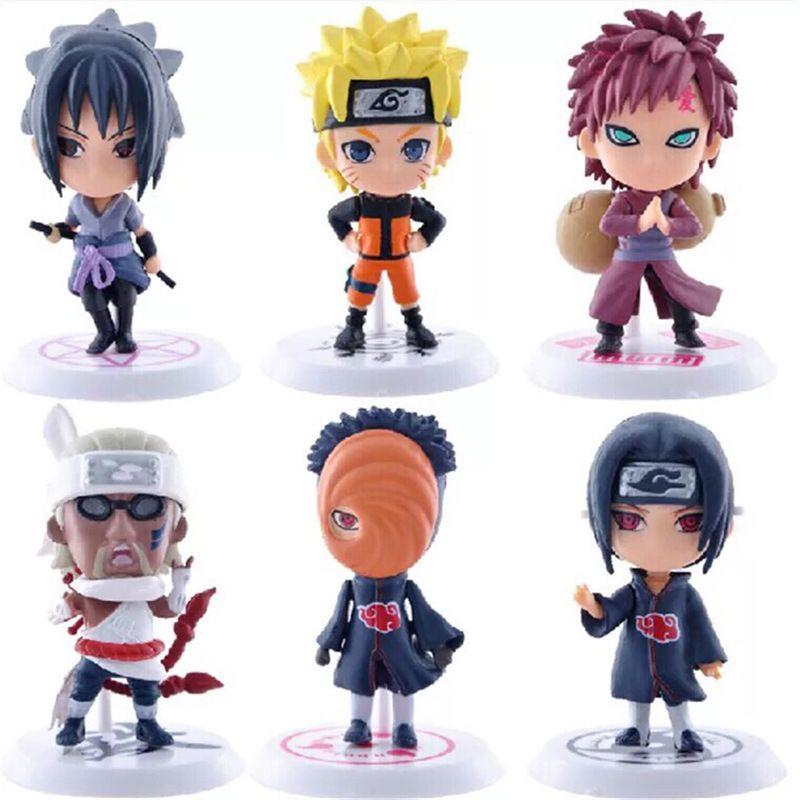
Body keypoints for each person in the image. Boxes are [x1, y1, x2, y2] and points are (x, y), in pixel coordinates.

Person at [23, 9, 183, 354]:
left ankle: (124, 333)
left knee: (125, 296)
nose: (96, 171)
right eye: (70, 146)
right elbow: (70, 227)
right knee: (91, 298)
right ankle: (105, 332)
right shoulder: (77, 205)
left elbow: (142, 232)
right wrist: (56, 232)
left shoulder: (125, 206)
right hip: (89, 262)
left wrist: (152, 256)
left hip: (123, 261)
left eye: (125, 147)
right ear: (40, 145)